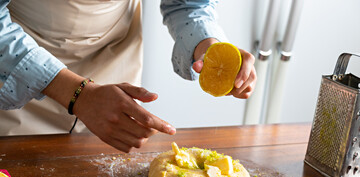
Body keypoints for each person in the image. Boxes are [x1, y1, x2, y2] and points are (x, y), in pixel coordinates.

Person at [0, 0, 257, 153]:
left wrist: (208, 48)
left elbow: (188, 4)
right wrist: (78, 94)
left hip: (115, 62)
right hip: (16, 72)